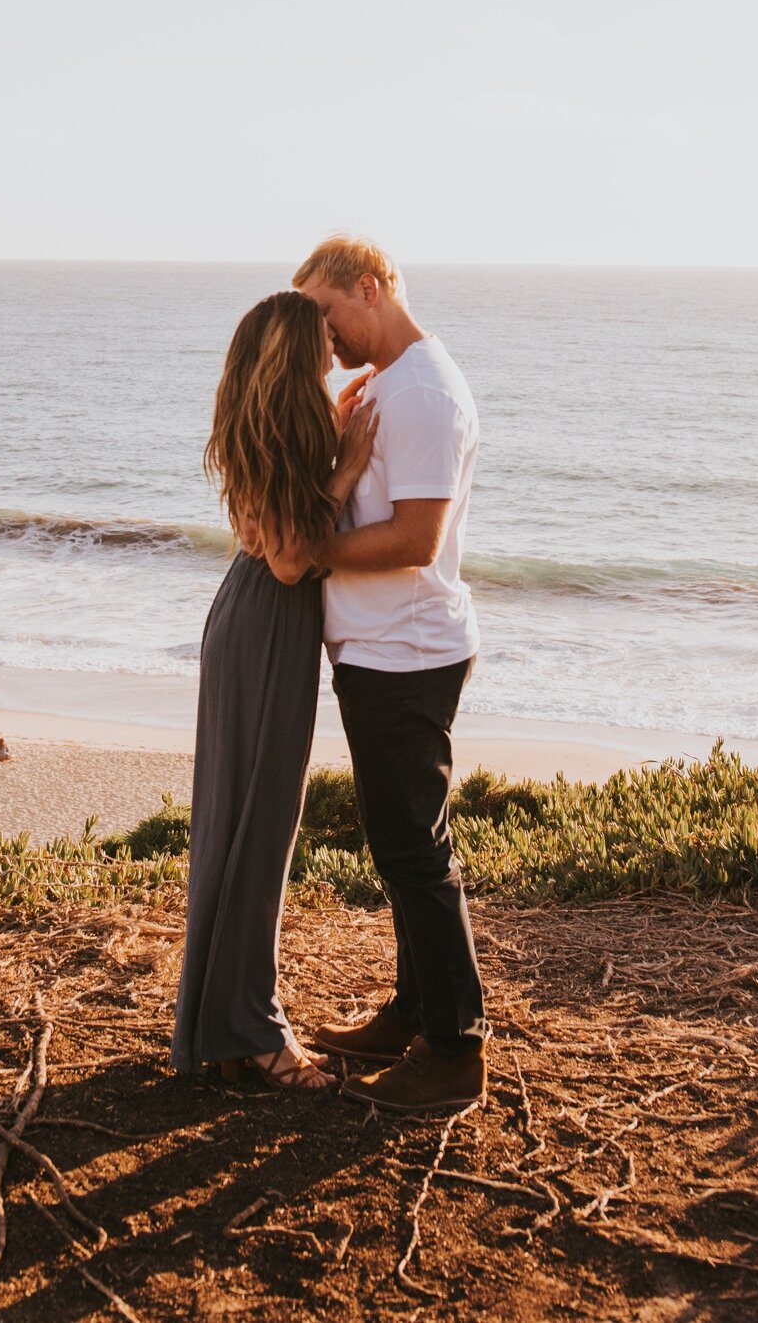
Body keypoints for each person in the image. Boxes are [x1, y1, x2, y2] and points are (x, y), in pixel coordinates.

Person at [265, 235, 487, 1117]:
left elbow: (414, 540)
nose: (321, 335)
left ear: (371, 285)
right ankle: (413, 1008)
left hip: (408, 652)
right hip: (379, 650)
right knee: (398, 848)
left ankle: (455, 1047)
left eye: (325, 311)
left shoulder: (425, 393)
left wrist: (310, 553)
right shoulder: (388, 387)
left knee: (414, 852)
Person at [171, 289, 378, 1093]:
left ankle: (223, 1023)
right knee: (258, 828)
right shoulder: (289, 429)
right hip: (267, 624)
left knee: (239, 823)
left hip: (245, 617)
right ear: (296, 351)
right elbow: (293, 558)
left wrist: (331, 441)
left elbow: (272, 534)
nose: (334, 348)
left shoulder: (265, 422)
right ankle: (253, 1034)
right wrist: (351, 466)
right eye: (322, 338)